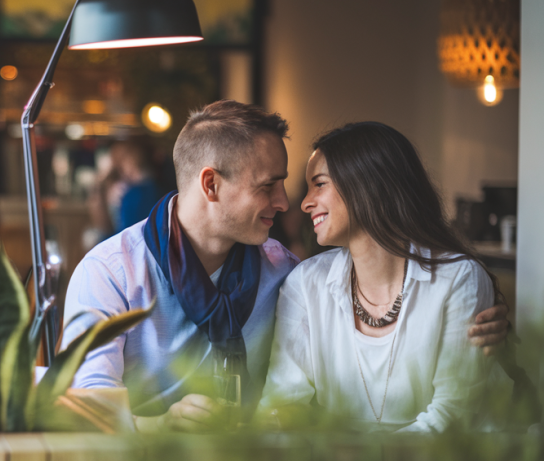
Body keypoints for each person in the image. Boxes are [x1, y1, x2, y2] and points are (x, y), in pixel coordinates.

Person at [62, 100, 510, 433]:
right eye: (269, 185)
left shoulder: (286, 272)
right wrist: (158, 426)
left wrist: (483, 324)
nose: (286, 202)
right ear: (211, 184)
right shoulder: (110, 274)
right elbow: (85, 408)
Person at [256, 123, 497, 432]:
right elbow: (283, 403)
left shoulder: (458, 278)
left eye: (319, 184)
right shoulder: (305, 283)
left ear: (366, 184)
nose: (304, 203)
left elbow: (452, 415)